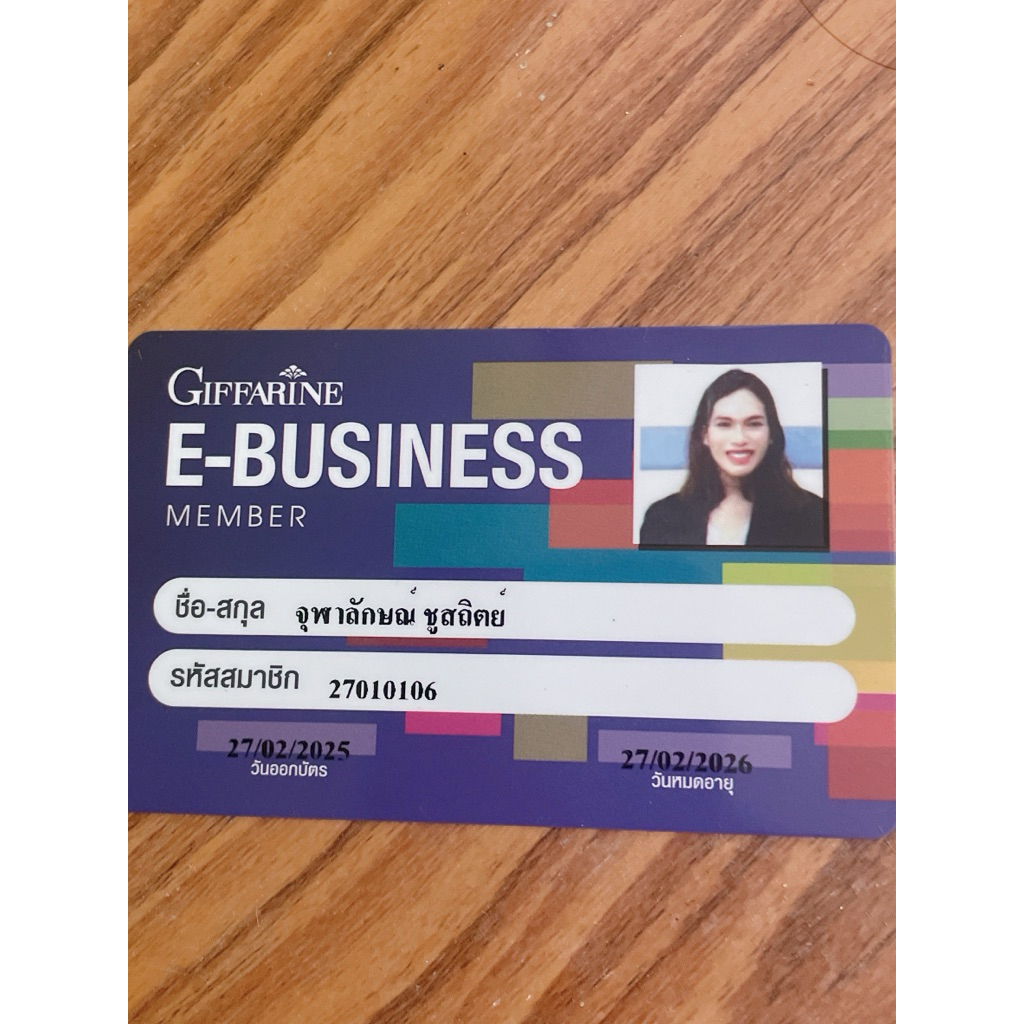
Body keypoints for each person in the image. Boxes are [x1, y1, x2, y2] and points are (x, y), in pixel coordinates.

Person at [639, 369, 825, 548]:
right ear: (705, 435)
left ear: (771, 434)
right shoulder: (662, 517)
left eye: (754, 424)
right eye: (724, 424)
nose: (739, 439)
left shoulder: (814, 515)